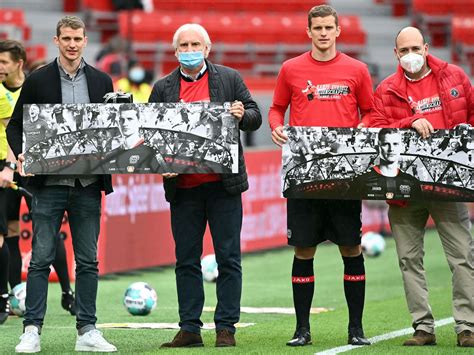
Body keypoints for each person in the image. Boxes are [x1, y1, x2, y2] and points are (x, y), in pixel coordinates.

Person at [7, 16, 117, 353]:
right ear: (56, 40)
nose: (72, 44)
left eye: (77, 39)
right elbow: (15, 127)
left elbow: (114, 130)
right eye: (66, 38)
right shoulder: (38, 79)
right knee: (40, 259)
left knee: (88, 260)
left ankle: (87, 330)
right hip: (47, 184)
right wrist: (22, 155)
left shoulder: (102, 81)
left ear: (86, 41)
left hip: (87, 184)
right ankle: (32, 330)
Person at [149, 23, 261, 348]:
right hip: (184, 190)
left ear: (208, 48)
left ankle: (226, 327)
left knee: (228, 257)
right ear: (175, 51)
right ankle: (189, 329)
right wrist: (161, 165)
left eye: (195, 44)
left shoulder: (229, 79)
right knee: (186, 259)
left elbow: (256, 116)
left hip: (223, 186)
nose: (189, 50)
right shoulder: (163, 88)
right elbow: (151, 136)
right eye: (183, 45)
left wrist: (243, 114)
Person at [268, 5, 374, 347]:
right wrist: (275, 127)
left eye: (330, 27)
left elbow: (371, 112)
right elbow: (275, 109)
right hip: (305, 174)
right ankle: (302, 329)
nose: (324, 33)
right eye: (318, 28)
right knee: (303, 250)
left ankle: (356, 329)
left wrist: (363, 127)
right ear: (309, 31)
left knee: (351, 247)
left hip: (345, 175)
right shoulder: (291, 69)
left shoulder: (357, 70)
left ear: (338, 31)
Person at [368, 26, 474, 347]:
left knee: (462, 256)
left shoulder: (454, 76)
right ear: (396, 55)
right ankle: (423, 327)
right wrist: (408, 121)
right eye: (404, 51)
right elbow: (374, 130)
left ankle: (467, 326)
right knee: (409, 259)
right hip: (404, 187)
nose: (410, 56)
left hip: (448, 183)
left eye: (416, 48)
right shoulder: (386, 89)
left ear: (426, 48)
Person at [0, 40, 77, 324]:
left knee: (48, 227)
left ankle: (67, 291)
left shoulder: (35, 87)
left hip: (34, 167)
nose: (0, 68)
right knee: (8, 230)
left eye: (4, 62)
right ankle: (9, 296)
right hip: (6, 169)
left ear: (18, 62)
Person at [352, 128, 422, 200]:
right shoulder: (361, 181)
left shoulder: (412, 182)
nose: (391, 149)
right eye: (386, 144)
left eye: (395, 144)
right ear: (378, 147)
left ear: (401, 147)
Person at [102, 103, 163, 173]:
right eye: (122, 120)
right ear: (118, 123)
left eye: (130, 119)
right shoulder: (110, 155)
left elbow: (165, 175)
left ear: (139, 121)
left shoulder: (152, 152)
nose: (125, 123)